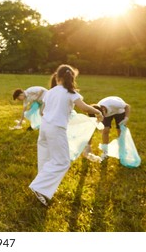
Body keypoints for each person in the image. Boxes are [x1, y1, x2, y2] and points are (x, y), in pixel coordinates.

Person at [29, 64, 103, 206]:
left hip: (44, 127)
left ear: (57, 77)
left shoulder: (50, 92)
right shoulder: (71, 93)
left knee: (45, 157)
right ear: (71, 78)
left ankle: (42, 188)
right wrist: (98, 112)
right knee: (63, 161)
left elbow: (42, 111)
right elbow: (84, 107)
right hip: (56, 129)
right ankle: (39, 186)